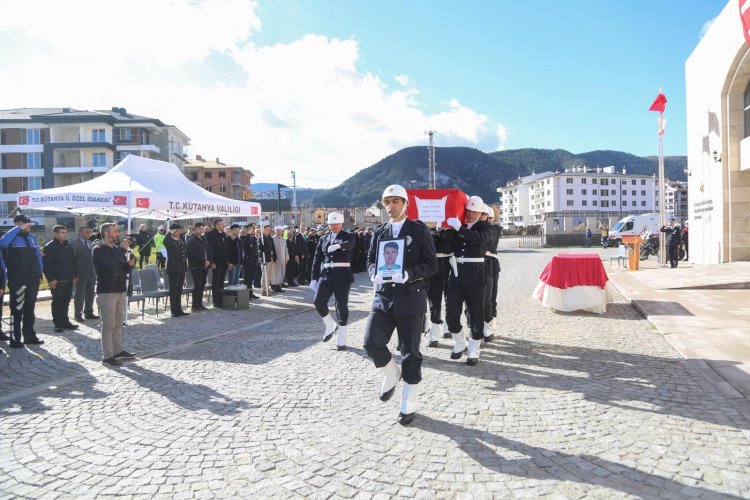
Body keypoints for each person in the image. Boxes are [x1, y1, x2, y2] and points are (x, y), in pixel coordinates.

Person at [363, 185, 437, 425]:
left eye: (396, 201)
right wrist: (374, 273)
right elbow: (371, 260)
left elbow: (431, 265)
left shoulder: (418, 230)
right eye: (387, 202)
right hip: (383, 298)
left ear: (405, 204)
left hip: (410, 298)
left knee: (410, 353)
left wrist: (408, 274)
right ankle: (392, 373)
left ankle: (409, 401)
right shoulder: (379, 231)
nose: (391, 206)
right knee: (371, 343)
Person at [445, 195, 492, 365]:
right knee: (451, 314)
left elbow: (478, 239)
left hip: (476, 275)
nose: (471, 214)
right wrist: (442, 230)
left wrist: (459, 229)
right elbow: (446, 248)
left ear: (481, 213)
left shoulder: (486, 228)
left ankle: (474, 349)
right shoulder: (459, 226)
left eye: (474, 211)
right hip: (456, 276)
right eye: (468, 210)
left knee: (476, 315)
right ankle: (459, 342)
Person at [93, 222, 136, 367]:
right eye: (115, 231)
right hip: (107, 291)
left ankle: (118, 351)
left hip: (119, 290)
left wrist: (129, 264)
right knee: (108, 325)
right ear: (106, 233)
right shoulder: (98, 249)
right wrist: (123, 250)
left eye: (117, 231)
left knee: (118, 324)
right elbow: (109, 265)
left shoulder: (116, 249)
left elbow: (119, 267)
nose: (118, 234)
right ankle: (107, 356)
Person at [311, 212, 355, 350]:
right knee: (318, 302)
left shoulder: (348, 236)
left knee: (341, 305)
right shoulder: (323, 238)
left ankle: (342, 338)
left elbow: (350, 244)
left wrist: (338, 246)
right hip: (326, 274)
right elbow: (317, 258)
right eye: (332, 224)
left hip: (342, 275)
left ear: (341, 224)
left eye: (337, 224)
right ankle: (330, 325)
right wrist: (313, 277)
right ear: (328, 224)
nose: (335, 226)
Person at [0, 214, 45, 347]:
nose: (29, 226)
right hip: (17, 279)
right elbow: (2, 242)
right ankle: (15, 338)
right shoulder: (10, 239)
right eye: (25, 223)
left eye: (29, 223)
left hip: (32, 278)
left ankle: (30, 336)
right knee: (17, 309)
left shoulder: (32, 238)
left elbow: (38, 257)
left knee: (30, 308)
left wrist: (40, 274)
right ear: (18, 224)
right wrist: (17, 229)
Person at [42, 225, 79, 333]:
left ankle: (65, 322)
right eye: (62, 233)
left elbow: (73, 261)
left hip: (68, 279)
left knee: (66, 302)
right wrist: (51, 279)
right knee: (57, 302)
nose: (65, 234)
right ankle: (57, 324)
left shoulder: (68, 246)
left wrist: (75, 275)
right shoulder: (49, 247)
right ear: (56, 234)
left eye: (66, 232)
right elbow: (47, 265)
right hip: (57, 281)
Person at [425, 225, 455, 347]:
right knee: (434, 300)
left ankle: (448, 327)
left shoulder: (452, 229)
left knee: (451, 298)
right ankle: (434, 333)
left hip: (450, 264)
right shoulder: (427, 229)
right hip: (434, 266)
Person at [481, 204, 502, 342]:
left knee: (491, 296)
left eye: (490, 218)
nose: (488, 220)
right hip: (479, 265)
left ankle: (489, 323)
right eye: (485, 217)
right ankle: (474, 323)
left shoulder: (494, 229)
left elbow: (490, 244)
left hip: (492, 265)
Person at [70, 226, 99, 323]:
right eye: (87, 232)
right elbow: (72, 260)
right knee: (80, 294)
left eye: (89, 232)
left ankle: (89, 312)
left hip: (92, 272)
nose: (89, 233)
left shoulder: (91, 243)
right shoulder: (74, 244)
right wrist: (74, 274)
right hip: (80, 273)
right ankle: (78, 314)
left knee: (91, 293)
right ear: (80, 233)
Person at [163, 223, 189, 317]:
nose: (179, 232)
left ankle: (179, 309)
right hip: (174, 268)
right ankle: (174, 311)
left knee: (179, 290)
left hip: (181, 267)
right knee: (174, 291)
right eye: (177, 231)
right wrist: (169, 232)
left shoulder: (180, 240)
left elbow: (185, 251)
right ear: (173, 231)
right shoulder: (168, 240)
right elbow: (166, 240)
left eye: (180, 230)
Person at [187, 222, 211, 311]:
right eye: (200, 229)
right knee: (197, 285)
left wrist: (209, 260)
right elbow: (193, 254)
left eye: (202, 228)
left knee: (202, 285)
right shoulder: (191, 240)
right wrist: (204, 261)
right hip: (196, 266)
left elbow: (208, 250)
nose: (201, 230)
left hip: (205, 265)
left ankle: (200, 304)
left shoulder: (203, 238)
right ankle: (194, 305)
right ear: (195, 229)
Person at [206, 219, 228, 307]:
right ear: (215, 225)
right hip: (216, 262)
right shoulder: (210, 235)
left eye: (223, 224)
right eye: (220, 224)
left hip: (224, 262)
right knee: (216, 282)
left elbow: (226, 249)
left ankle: (221, 300)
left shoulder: (223, 234)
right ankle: (216, 301)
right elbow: (210, 249)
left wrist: (228, 261)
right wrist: (212, 262)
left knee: (222, 282)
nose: (222, 226)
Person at [240, 226, 260, 299]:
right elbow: (245, 244)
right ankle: (246, 294)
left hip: (253, 261)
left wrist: (257, 258)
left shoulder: (253, 238)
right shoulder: (244, 238)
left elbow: (255, 249)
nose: (253, 230)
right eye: (252, 229)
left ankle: (250, 293)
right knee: (247, 279)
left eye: (254, 229)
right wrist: (248, 234)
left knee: (251, 278)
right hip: (247, 261)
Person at [258, 225, 276, 296]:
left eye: (270, 229)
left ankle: (267, 288)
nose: (269, 230)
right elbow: (261, 248)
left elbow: (272, 247)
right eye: (267, 229)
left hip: (270, 258)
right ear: (263, 229)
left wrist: (274, 255)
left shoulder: (269, 237)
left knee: (269, 274)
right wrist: (269, 251)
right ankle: (264, 290)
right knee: (265, 274)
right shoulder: (261, 237)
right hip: (265, 258)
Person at [270, 226, 289, 293]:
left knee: (281, 272)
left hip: (283, 259)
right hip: (275, 259)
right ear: (275, 231)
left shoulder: (283, 239)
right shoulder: (272, 239)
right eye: (278, 230)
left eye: (280, 230)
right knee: (274, 273)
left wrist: (287, 258)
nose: (279, 232)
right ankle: (273, 286)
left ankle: (279, 286)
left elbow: (286, 250)